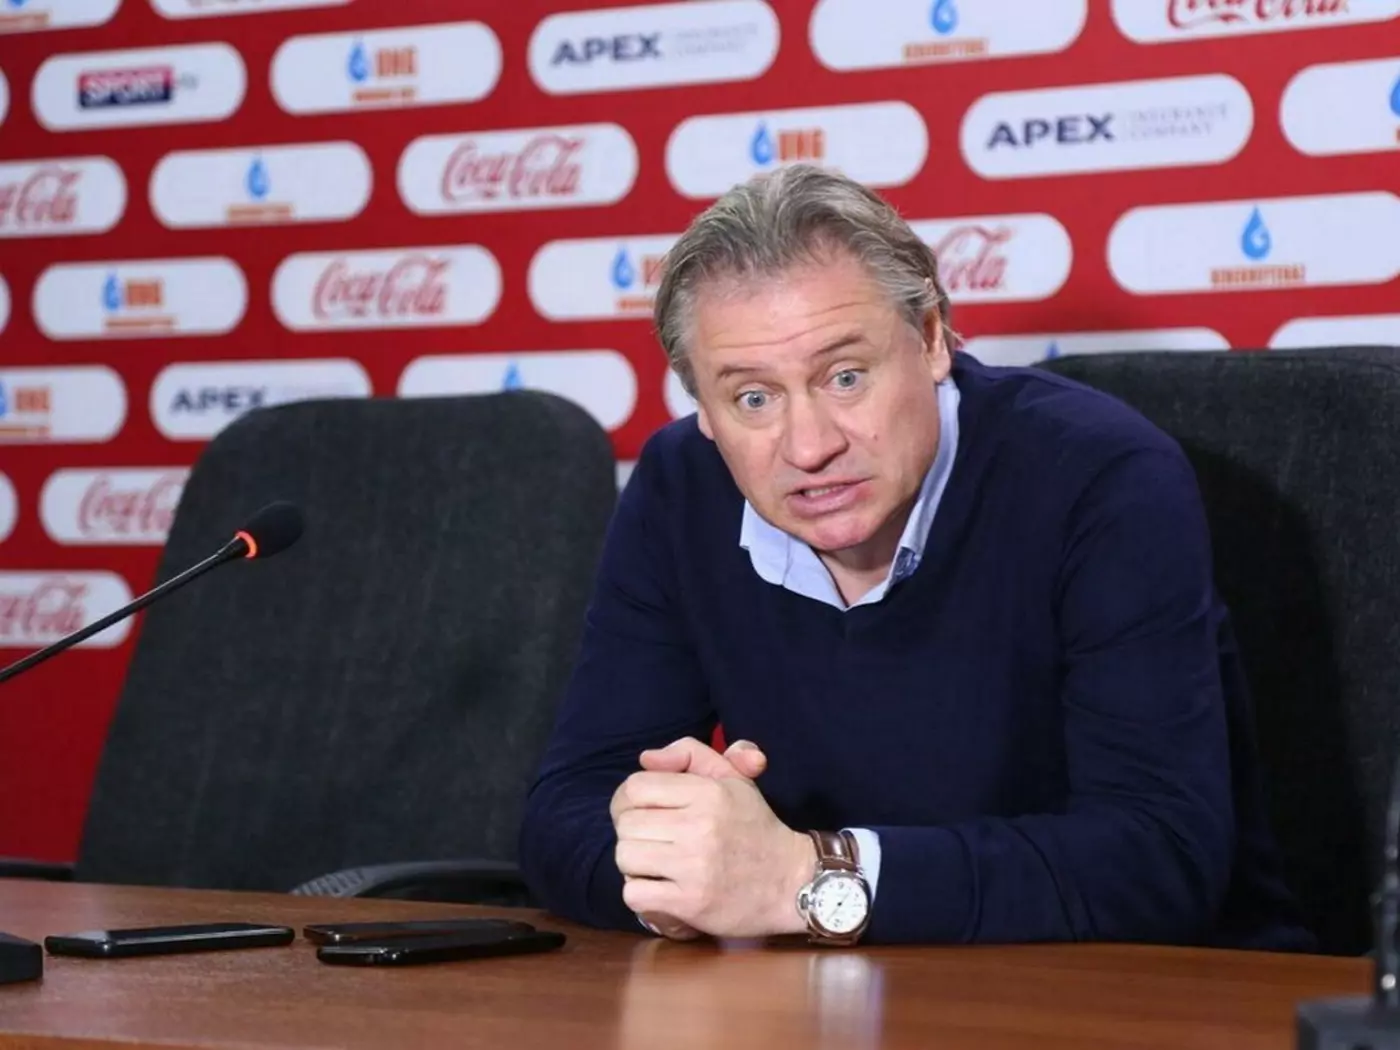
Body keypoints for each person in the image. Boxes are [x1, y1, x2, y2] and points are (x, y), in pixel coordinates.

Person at [516, 163, 1315, 951]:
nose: (809, 446)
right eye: (752, 398)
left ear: (931, 339)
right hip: (827, 990)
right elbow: (566, 811)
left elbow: (1157, 858)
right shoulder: (681, 488)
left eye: (845, 377)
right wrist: (679, 877)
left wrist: (805, 877)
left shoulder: (1102, 477)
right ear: (703, 409)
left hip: (1143, 993)